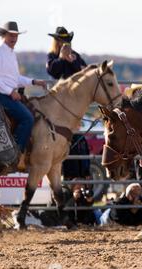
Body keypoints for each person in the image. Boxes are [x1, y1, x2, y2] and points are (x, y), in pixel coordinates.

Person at [0, 21, 47, 171]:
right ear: (4, 35)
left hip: (2, 93)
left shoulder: (10, 53)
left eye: (15, 35)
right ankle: (15, 156)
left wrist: (33, 81)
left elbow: (15, 79)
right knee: (27, 118)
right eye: (11, 35)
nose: (14, 38)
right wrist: (10, 92)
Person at [45, 27, 90, 182]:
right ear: (56, 42)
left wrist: (73, 61)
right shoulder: (52, 56)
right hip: (59, 105)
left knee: (76, 139)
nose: (65, 44)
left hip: (74, 105)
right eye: (62, 40)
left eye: (67, 41)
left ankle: (80, 175)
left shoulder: (75, 56)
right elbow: (52, 71)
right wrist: (62, 59)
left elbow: (84, 73)